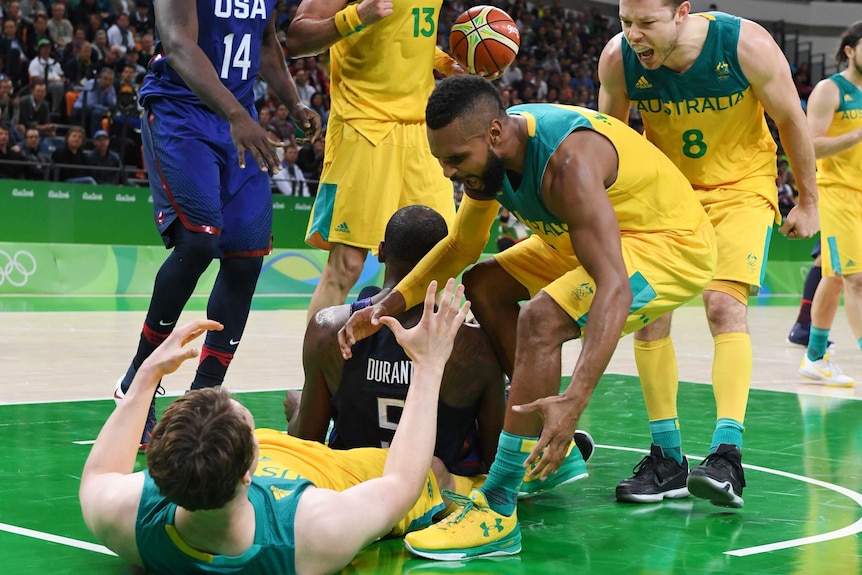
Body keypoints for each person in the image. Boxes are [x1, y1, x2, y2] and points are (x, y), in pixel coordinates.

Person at [338, 75, 716, 559]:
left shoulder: (567, 164)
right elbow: (460, 248)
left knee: (541, 319)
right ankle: (540, 445)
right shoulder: (490, 161)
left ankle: (498, 507)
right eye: (442, 161)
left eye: (456, 160)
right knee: (484, 284)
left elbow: (614, 285)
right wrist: (383, 306)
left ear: (494, 134)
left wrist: (574, 399)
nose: (451, 173)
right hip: (587, 236)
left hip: (668, 245)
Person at [80, 279, 478, 575]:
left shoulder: (128, 518)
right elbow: (401, 484)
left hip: (279, 459)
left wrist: (147, 374)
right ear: (248, 471)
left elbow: (100, 473)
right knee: (437, 472)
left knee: (298, 404)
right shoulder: (310, 533)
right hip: (341, 473)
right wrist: (428, 364)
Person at [597, 0, 819, 508]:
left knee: (723, 307)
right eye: (625, 23)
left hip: (742, 187)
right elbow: (607, 142)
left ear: (682, 13)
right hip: (666, 194)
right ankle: (666, 459)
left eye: (646, 23)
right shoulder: (618, 59)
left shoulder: (747, 46)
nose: (634, 35)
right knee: (648, 315)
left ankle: (727, 456)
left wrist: (808, 201)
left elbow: (791, 119)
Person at [112, 0, 321, 449]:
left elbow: (264, 41)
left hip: (235, 118)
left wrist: (293, 101)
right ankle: (138, 382)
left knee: (246, 258)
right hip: (180, 112)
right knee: (199, 240)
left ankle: (202, 400)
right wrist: (238, 116)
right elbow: (178, 44)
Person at [289, 205, 507, 476]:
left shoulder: (326, 327)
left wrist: (297, 408)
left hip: (354, 484)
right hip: (434, 491)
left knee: (295, 401)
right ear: (445, 262)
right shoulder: (478, 345)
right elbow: (495, 457)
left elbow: (307, 443)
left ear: (381, 252)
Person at [285, 0, 460, 323]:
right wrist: (356, 16)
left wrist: (448, 63)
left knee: (433, 262)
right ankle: (316, 372)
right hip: (363, 126)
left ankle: (407, 369)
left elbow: (405, 35)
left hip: (421, 131)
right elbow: (296, 39)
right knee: (347, 264)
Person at [798, 22, 862, 387]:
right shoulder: (830, 89)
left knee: (834, 278)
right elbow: (811, 144)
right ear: (850, 50)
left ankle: (815, 356)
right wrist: (858, 132)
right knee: (856, 279)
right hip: (838, 192)